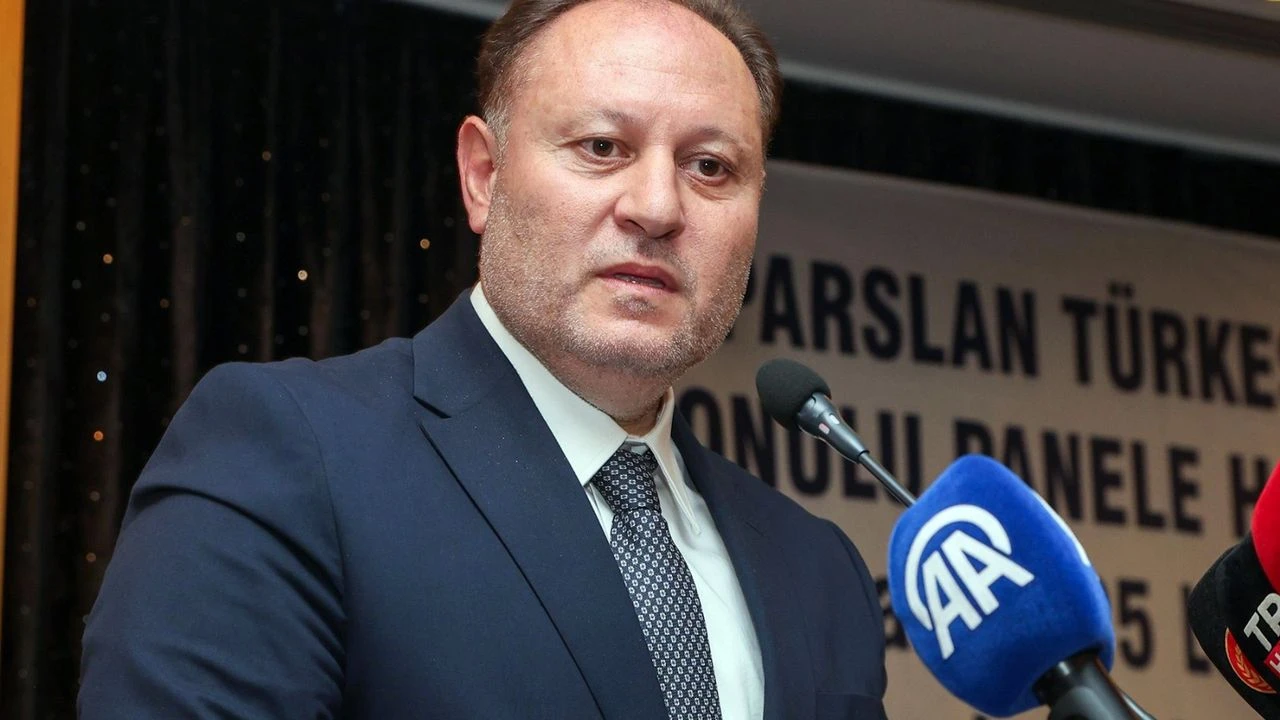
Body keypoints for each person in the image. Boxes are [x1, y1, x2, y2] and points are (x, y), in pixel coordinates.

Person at [78, 0, 887, 717]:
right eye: (603, 146)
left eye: (710, 166)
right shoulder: (286, 456)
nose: (656, 207)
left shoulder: (818, 568)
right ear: (483, 176)